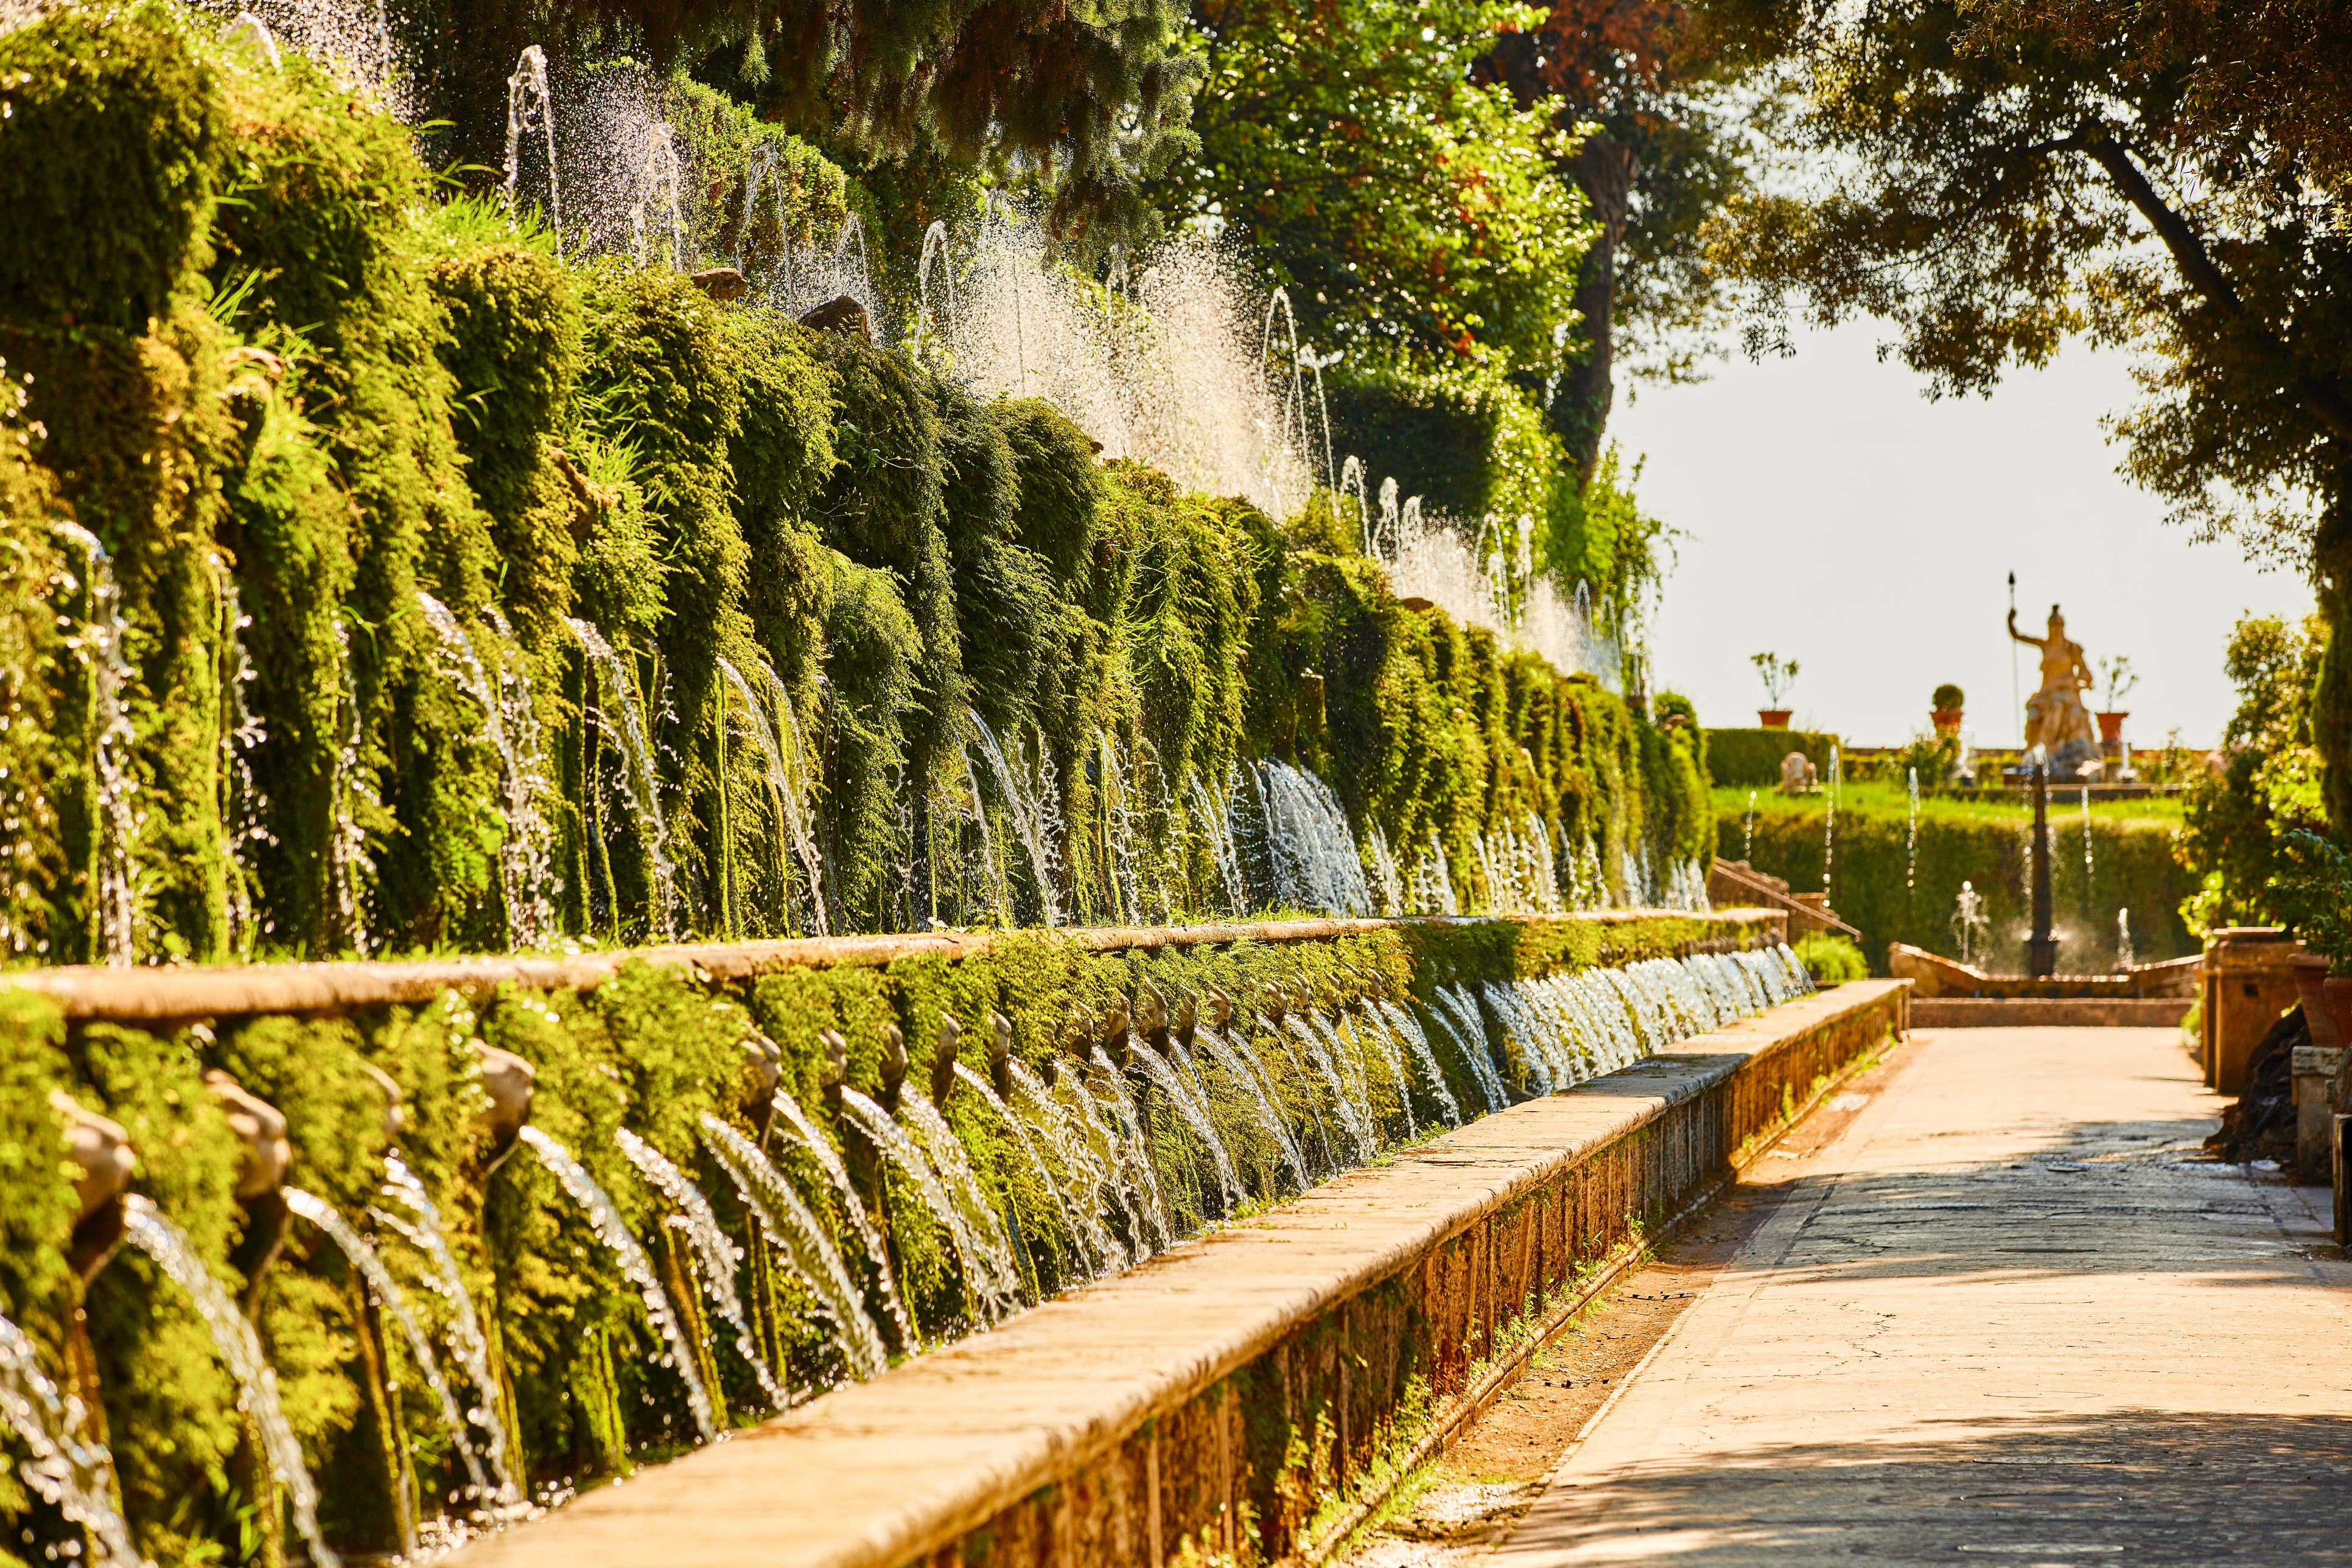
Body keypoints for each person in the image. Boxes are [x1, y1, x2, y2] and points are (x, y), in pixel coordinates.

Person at [2007, 603, 2099, 771]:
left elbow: (2087, 674)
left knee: (2056, 707)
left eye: (2058, 627)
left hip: (2066, 695)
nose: (2054, 631)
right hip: (2046, 693)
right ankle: (2032, 754)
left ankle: (2050, 753)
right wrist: (2010, 621)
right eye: (2051, 627)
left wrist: (2072, 682)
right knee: (2033, 710)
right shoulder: (2045, 645)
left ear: (2063, 628)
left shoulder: (2072, 648)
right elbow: (2018, 636)